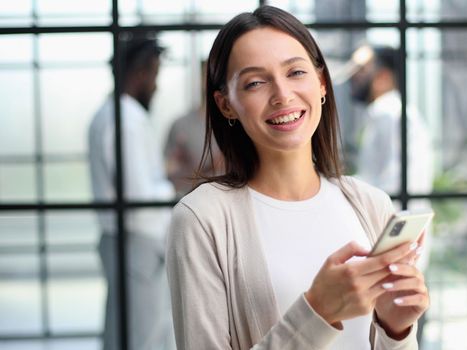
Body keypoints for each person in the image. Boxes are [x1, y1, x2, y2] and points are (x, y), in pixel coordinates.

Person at [165, 6, 429, 350]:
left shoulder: (371, 204)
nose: (282, 95)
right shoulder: (202, 219)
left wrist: (395, 331)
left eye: (295, 72)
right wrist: (317, 311)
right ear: (225, 103)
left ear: (321, 82)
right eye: (255, 82)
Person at [88, 33, 176, 350]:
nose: (156, 85)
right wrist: (172, 187)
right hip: (137, 243)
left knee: (125, 332)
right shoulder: (125, 120)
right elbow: (137, 196)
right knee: (144, 336)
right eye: (154, 75)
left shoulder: (110, 115)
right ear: (140, 73)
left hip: (127, 243)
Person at [346, 44, 434, 197]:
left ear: (383, 77)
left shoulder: (389, 115)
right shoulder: (384, 114)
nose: (353, 76)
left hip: (389, 217)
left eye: (361, 70)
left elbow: (394, 182)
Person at [164, 60, 223, 196]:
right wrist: (205, 170)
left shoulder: (238, 124)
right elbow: (169, 173)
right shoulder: (181, 125)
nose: (212, 82)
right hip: (192, 201)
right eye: (207, 76)